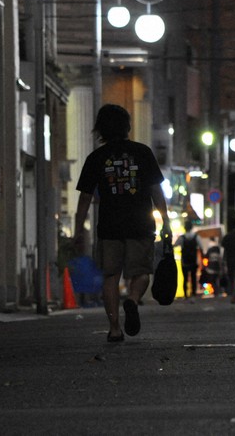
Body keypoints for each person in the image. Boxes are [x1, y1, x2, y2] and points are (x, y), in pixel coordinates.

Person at [74, 104, 171, 343]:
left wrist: (78, 230)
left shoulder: (96, 157)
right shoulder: (143, 152)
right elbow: (155, 191)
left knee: (110, 276)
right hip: (140, 225)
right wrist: (165, 221)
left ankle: (115, 328)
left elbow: (85, 197)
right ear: (127, 126)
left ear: (100, 129)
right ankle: (132, 299)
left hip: (109, 226)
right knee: (141, 272)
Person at [175, 219, 202, 298]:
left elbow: (175, 245)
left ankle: (186, 294)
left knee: (185, 278)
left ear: (185, 228)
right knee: (193, 277)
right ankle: (193, 293)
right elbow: (201, 247)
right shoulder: (196, 237)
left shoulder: (182, 238)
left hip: (184, 261)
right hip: (194, 260)